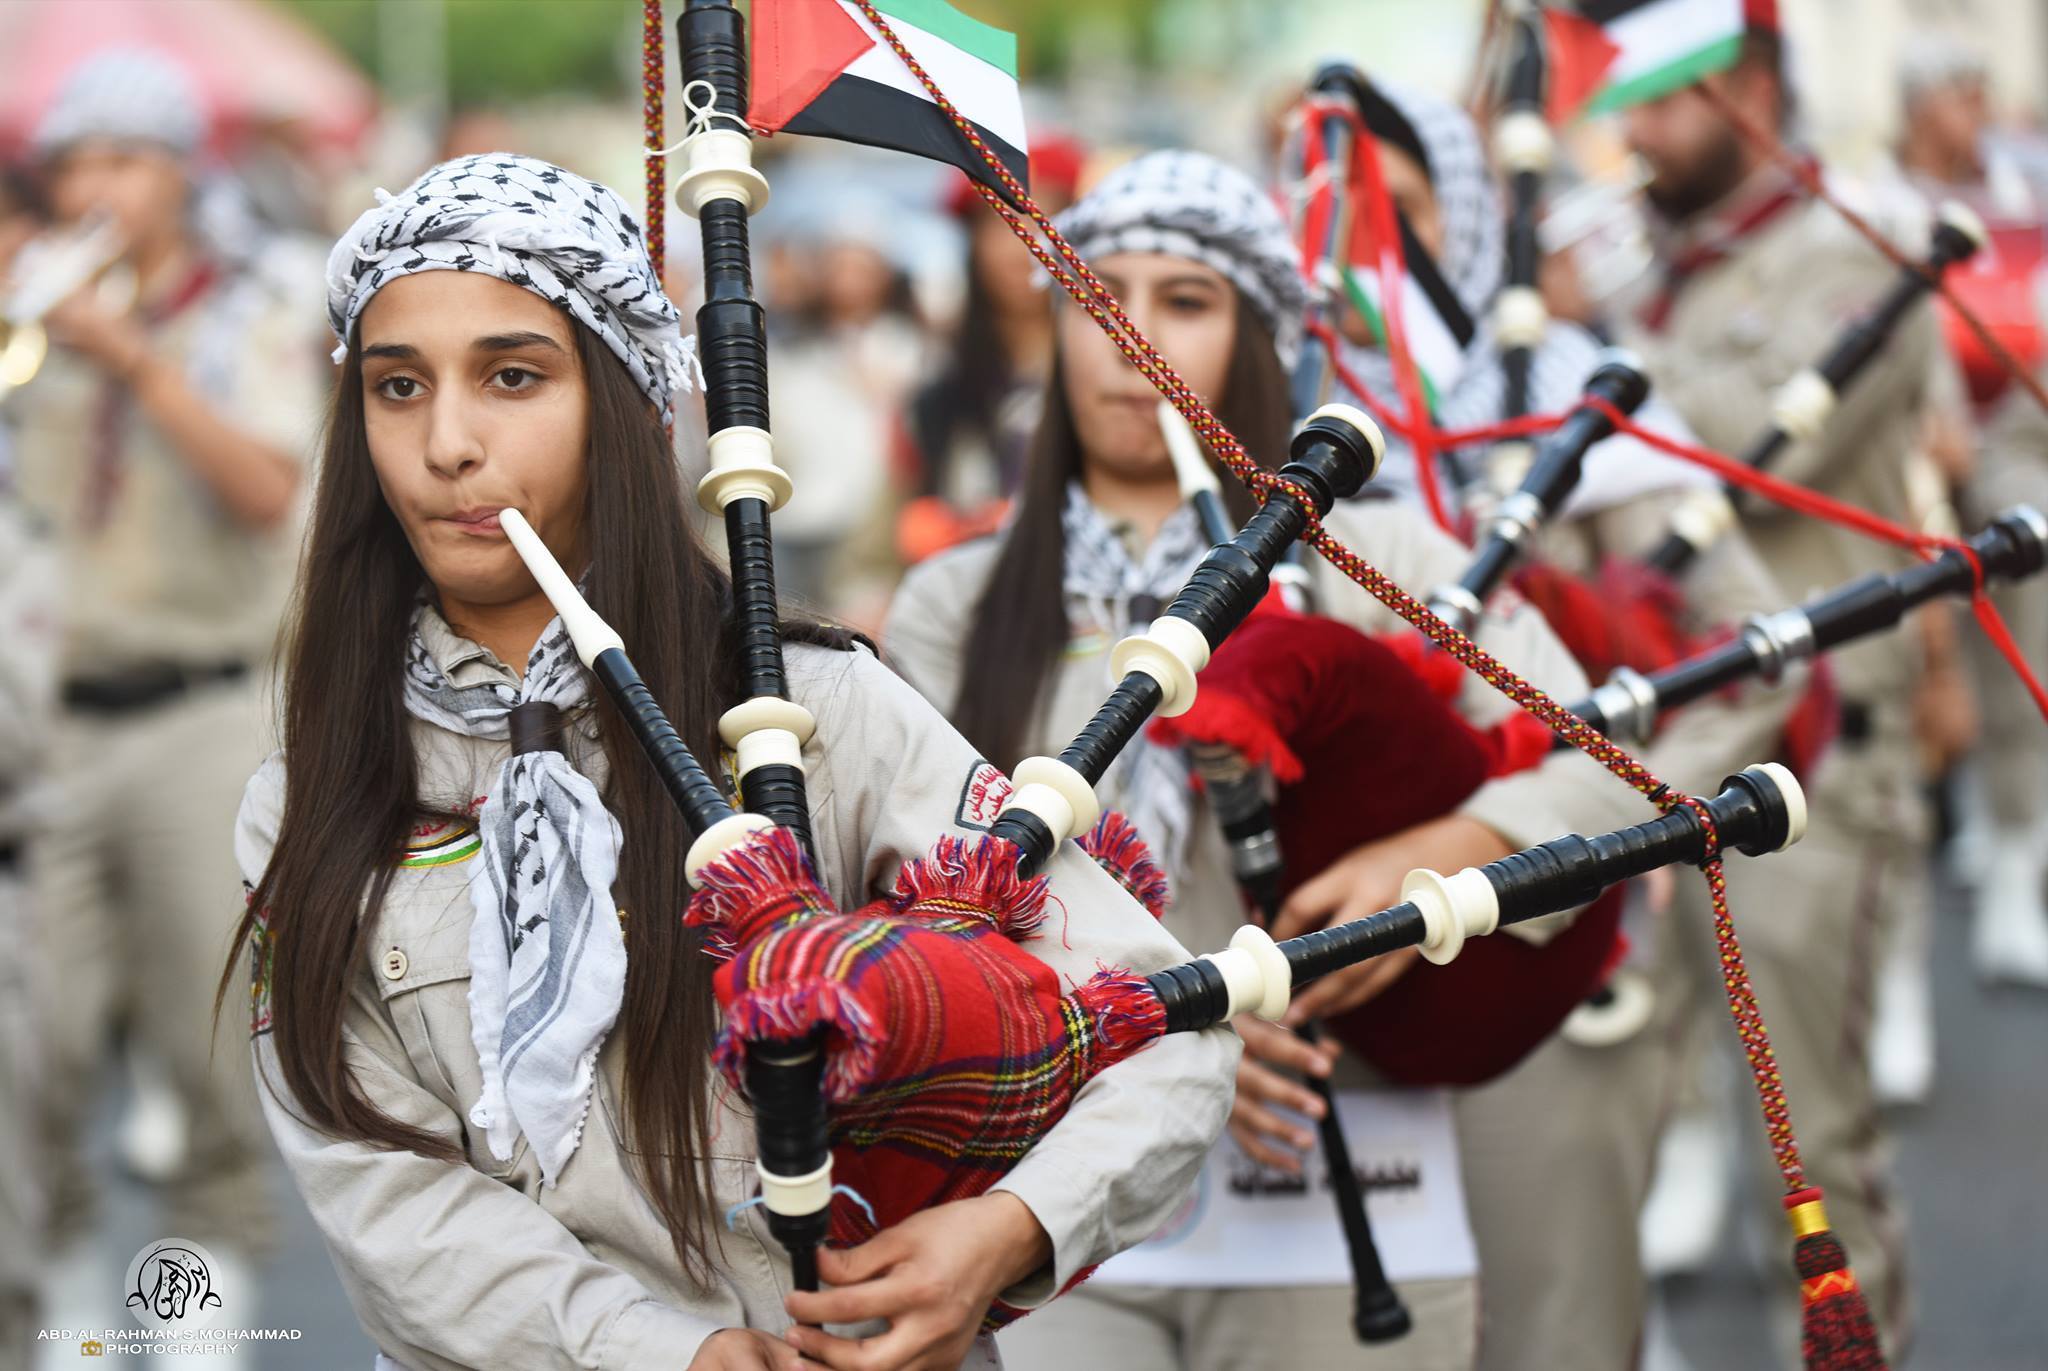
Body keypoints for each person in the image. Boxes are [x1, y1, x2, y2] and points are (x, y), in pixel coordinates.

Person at [225, 151, 1235, 1371]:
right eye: (397, 387)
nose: (447, 443)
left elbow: (1168, 1020)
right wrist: (660, 1352)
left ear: (630, 402)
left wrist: (1006, 1232)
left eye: (512, 376)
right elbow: (377, 1184)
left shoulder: (811, 712)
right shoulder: (312, 794)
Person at [886, 148, 1667, 1371]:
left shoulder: (1382, 560)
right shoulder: (958, 601)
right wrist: (1164, 1035)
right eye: (1098, 298)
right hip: (1055, 1210)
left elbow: (1608, 770)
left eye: (1184, 300)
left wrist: (1447, 854)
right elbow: (909, 901)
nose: (1131, 338)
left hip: (1345, 1179)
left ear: (1256, 338)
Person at [1325, 78, 1798, 1369]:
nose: (1355, 245)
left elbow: (1746, 655)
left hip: (1547, 933)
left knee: (1556, 1322)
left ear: (1468, 217)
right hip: (1322, 969)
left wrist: (1620, 820)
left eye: (1395, 207)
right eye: (1325, 207)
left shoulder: (1567, 396)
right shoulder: (1246, 410)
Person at [1615, 17, 1940, 1357]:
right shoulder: (1659, 262)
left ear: (1750, 90)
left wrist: (1584, 356)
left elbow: (1748, 448)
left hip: (1802, 762)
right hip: (1651, 754)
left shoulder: (1856, 251)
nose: (1631, 133)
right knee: (1612, 1144)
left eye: (1661, 101)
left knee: (1806, 1166)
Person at [11, 49, 326, 1324]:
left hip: (201, 714)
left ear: (183, 175)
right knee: (30, 1060)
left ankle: (192, 1323)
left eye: (125, 161)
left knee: (202, 1060)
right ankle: (63, 1316)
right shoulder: (36, 307)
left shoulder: (252, 305)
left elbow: (264, 491)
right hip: (47, 725)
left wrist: (136, 361)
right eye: (74, 162)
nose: (95, 188)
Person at [897, 137, 1085, 565]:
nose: (1023, 244)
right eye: (1001, 223)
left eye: (1042, 220)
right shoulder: (941, 388)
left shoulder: (1104, 375)